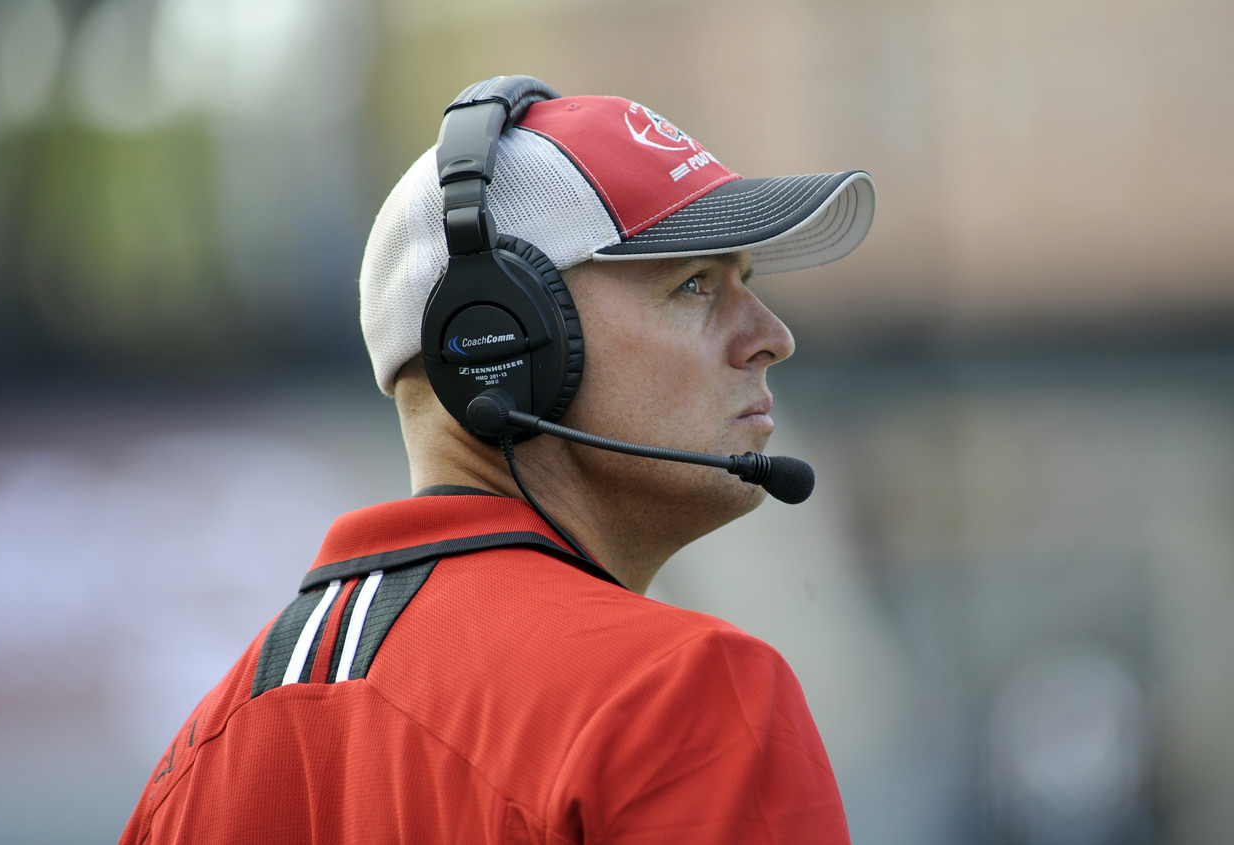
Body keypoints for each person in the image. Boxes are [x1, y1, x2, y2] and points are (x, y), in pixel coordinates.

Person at [119, 76, 875, 844]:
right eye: (694, 285)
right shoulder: (683, 695)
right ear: (503, 341)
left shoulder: (187, 776)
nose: (771, 335)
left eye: (744, 281)